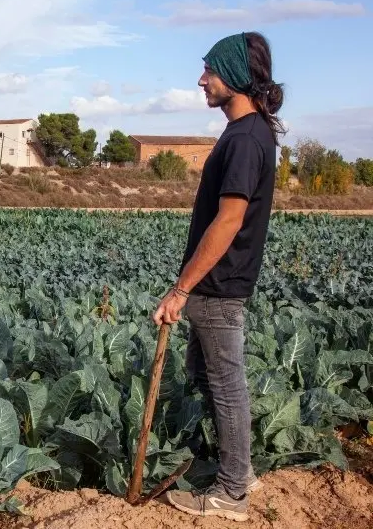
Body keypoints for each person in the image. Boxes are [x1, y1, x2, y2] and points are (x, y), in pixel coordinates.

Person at [153, 31, 284, 522]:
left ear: (232, 75)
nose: (201, 80)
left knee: (226, 385)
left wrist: (181, 288)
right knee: (207, 377)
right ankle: (239, 469)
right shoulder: (245, 133)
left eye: (208, 71)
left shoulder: (248, 138)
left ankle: (232, 492)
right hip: (217, 285)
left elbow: (228, 221)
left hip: (218, 286)